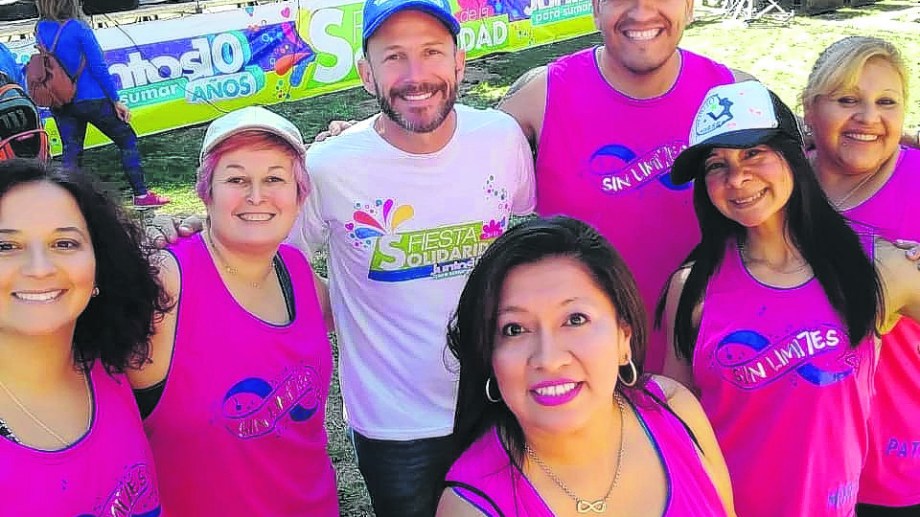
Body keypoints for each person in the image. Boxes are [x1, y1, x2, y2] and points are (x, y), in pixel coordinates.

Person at [285, 0, 536, 514]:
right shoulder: (329, 166)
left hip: (499, 399)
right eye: (395, 56)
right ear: (366, 73)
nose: (416, 75)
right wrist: (335, 309)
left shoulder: (500, 138)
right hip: (394, 425)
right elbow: (278, 263)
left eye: (432, 52)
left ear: (459, 62)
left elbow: (527, 225)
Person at [659, 80, 920, 517]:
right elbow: (678, 428)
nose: (737, 179)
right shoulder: (692, 287)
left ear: (793, 155)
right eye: (716, 165)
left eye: (753, 153)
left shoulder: (873, 266)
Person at [438, 216, 734, 516]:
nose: (549, 359)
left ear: (623, 337)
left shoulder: (673, 407)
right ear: (489, 357)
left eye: (575, 319)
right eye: (514, 329)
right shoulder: (469, 508)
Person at [126, 106, 338, 516]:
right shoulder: (166, 281)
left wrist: (347, 145)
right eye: (236, 179)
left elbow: (363, 313)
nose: (256, 196)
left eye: (275, 178)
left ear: (300, 195)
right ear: (206, 192)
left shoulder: (295, 270)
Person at [0, 158, 169, 514]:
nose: (40, 269)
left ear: (100, 263)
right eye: (6, 247)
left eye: (64, 243)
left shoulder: (116, 365)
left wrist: (184, 238)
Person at [802, 36, 920, 516]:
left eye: (886, 102)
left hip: (900, 464)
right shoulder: (776, 186)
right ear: (810, 109)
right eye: (848, 99)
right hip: (807, 466)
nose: (868, 117)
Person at [34, 0, 168, 207]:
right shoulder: (78, 28)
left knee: (72, 152)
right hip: (92, 98)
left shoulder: (40, 28)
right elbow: (98, 67)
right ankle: (141, 194)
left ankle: (66, 202)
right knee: (127, 140)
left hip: (60, 100)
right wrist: (116, 100)